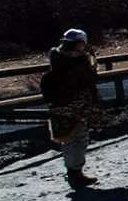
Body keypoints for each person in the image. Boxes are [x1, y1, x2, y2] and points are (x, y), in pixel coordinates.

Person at [40, 28, 102, 189]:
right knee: (79, 138)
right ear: (79, 43)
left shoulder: (56, 57)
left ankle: (73, 173)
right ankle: (76, 174)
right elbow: (92, 78)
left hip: (59, 104)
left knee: (67, 138)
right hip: (76, 104)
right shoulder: (80, 61)